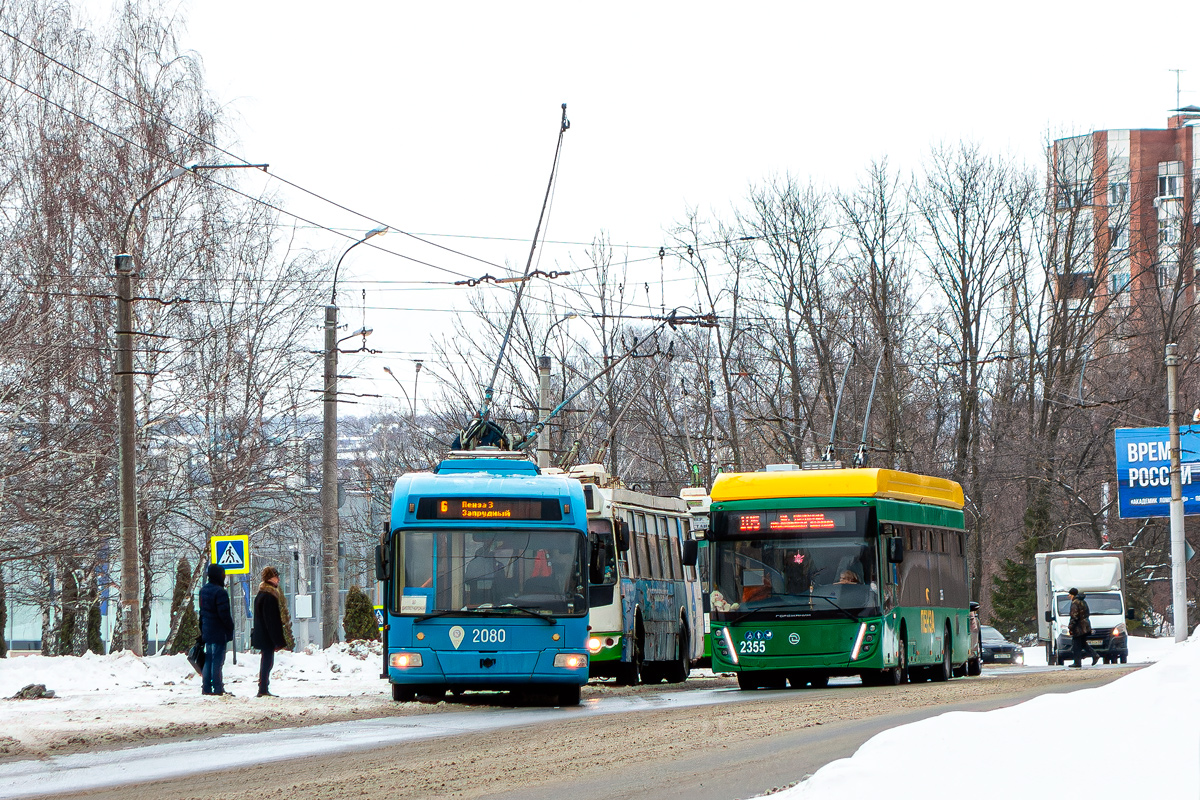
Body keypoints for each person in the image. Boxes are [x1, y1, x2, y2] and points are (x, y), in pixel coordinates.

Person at [251, 566, 288, 697]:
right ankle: (263, 688)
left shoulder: (262, 594)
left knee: (266, 661)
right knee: (267, 662)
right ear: (270, 578)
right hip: (266, 636)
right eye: (276, 576)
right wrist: (277, 640)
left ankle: (263, 687)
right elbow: (271, 621)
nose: (278, 579)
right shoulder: (269, 596)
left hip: (263, 635)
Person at [198, 564, 235, 696]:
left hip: (207, 629)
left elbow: (201, 613)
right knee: (218, 661)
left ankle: (206, 687)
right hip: (219, 631)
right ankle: (218, 687)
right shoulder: (220, 592)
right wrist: (230, 628)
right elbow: (224, 615)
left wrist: (202, 629)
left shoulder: (203, 590)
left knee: (208, 659)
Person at [1068, 587, 1099, 668]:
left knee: (1076, 645)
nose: (1069, 596)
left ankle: (1077, 662)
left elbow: (1074, 616)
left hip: (1079, 627)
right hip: (1085, 626)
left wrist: (1071, 626)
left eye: (1070, 594)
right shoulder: (1083, 601)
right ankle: (1094, 655)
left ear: (1072, 595)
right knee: (1082, 644)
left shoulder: (1075, 603)